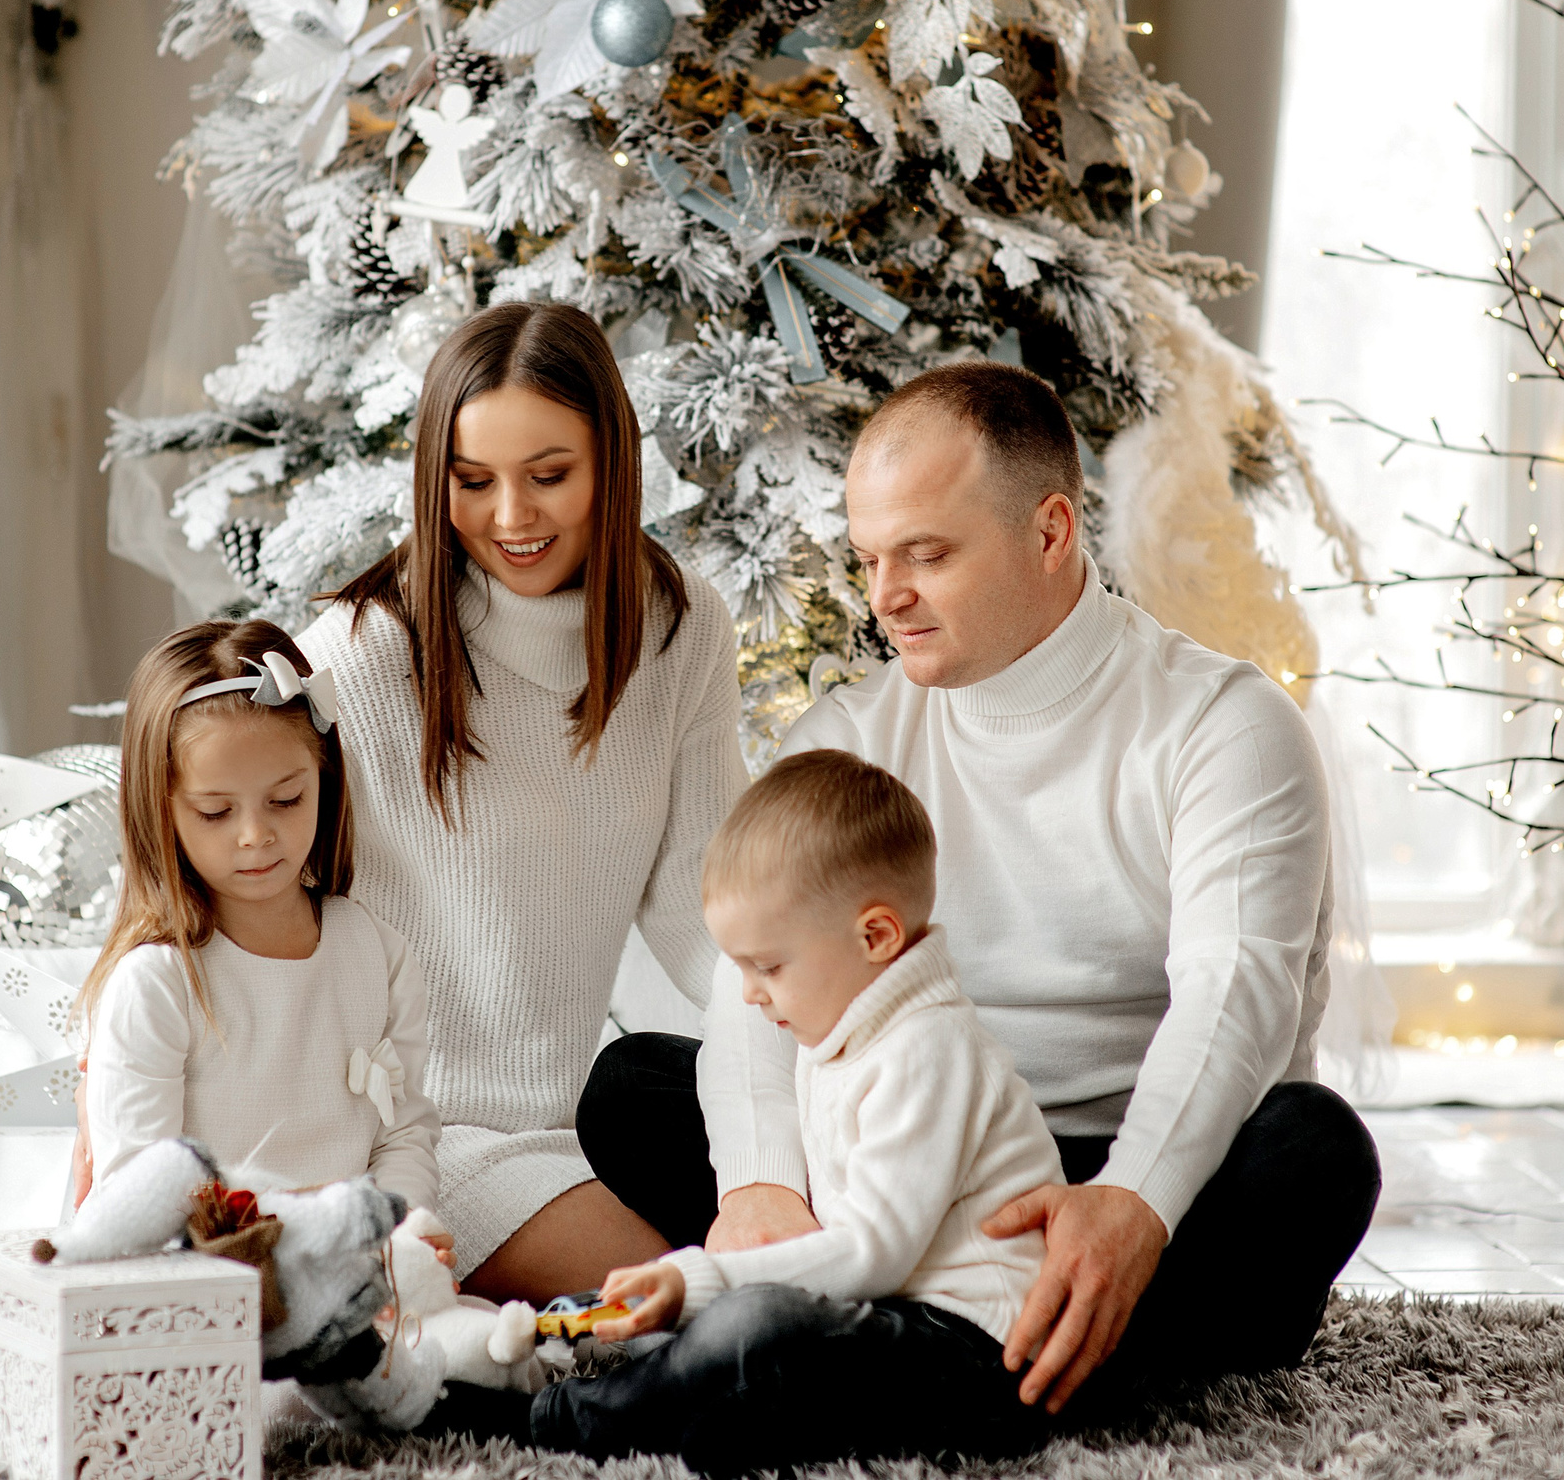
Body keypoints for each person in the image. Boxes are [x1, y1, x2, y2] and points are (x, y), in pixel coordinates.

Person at [582, 360, 1382, 1416]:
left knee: (1312, 1148)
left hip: (1129, 1171)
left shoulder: (1221, 725)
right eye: (870, 557)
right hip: (906, 1163)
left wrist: (1132, 1199)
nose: (885, 596)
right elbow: (751, 985)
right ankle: (1029, 1364)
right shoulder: (850, 738)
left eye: (927, 554)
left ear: (1050, 533)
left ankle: (896, 1347)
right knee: (634, 1084)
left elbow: (1235, 995)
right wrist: (762, 1183)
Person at [76, 303, 779, 1303]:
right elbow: (218, 844)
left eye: (549, 474)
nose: (510, 516)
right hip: (423, 1138)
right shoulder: (365, 653)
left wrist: (825, 1064)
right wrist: (117, 1125)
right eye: (472, 480)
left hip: (565, 1117)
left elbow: (707, 908)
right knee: (697, 1305)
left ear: (611, 465)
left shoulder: (683, 629)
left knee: (811, 1257)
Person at [511, 750, 1062, 1471]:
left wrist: (706, 1279)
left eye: (767, 966)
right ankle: (563, 1351)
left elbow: (874, 1251)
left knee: (750, 1326)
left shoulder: (930, 1050)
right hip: (887, 1305)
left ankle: (557, 1416)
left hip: (979, 1355)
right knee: (700, 1318)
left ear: (876, 937)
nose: (747, 994)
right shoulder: (841, 1021)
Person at [76, 618, 444, 1242]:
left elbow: (405, 1136)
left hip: (351, 1263)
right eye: (216, 812)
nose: (255, 836)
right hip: (203, 1272)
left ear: (323, 780)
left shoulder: (376, 954)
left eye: (286, 799)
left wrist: (395, 1229)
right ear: (159, 810)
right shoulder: (158, 982)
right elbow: (139, 1192)